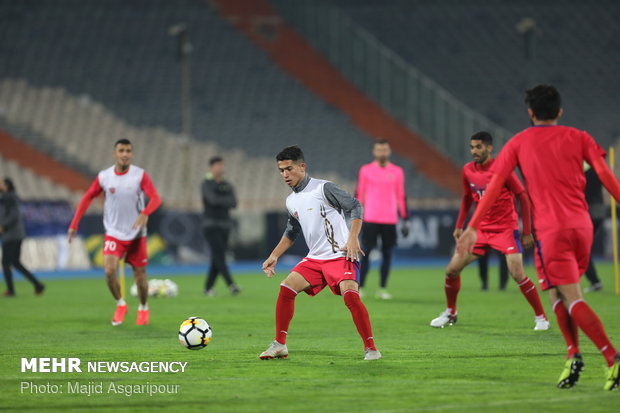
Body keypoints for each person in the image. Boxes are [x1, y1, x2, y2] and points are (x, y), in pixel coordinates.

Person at [457, 85, 620, 391]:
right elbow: (605, 173)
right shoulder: (580, 137)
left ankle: (612, 357)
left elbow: (493, 188)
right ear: (559, 111)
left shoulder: (518, 143)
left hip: (552, 230)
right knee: (557, 294)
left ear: (530, 113)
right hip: (583, 227)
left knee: (572, 298)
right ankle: (573, 356)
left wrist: (473, 225)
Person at [260, 146, 381, 361]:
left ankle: (371, 348)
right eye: (281, 171)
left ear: (302, 166)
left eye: (289, 169)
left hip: (340, 255)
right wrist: (275, 255)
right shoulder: (291, 201)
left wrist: (353, 238)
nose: (285, 175)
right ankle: (280, 344)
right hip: (315, 259)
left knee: (351, 297)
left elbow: (355, 206)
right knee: (286, 288)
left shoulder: (323, 188)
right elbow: (292, 231)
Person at [430, 131, 549, 330]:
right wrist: (460, 225)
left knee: (517, 273)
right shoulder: (468, 170)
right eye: (472, 147)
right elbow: (467, 197)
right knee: (451, 270)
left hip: (505, 229)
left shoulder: (503, 169)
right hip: (481, 231)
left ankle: (541, 317)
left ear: (489, 148)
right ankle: (451, 312)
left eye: (478, 147)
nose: (474, 151)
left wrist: (527, 231)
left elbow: (524, 197)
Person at [68, 139, 161, 326]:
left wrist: (145, 213)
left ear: (132, 154)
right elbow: (87, 197)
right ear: (115, 153)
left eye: (128, 150)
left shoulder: (139, 175)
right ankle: (120, 304)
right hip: (113, 233)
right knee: (109, 270)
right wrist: (74, 223)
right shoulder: (104, 177)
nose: (125, 154)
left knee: (140, 276)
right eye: (121, 150)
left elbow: (156, 198)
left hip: (136, 234)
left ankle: (143, 307)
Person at [356, 139, 408, 299]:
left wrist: (405, 218)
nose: (382, 153)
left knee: (387, 254)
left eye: (384, 150)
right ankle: (360, 287)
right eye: (379, 150)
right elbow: (360, 194)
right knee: (365, 253)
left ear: (389, 151)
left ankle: (382, 288)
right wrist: (356, 216)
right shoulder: (365, 170)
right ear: (374, 151)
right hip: (370, 217)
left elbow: (401, 196)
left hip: (390, 219)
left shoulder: (397, 171)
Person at [201, 156, 240, 296]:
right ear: (211, 168)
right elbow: (212, 200)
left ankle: (208, 287)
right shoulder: (206, 184)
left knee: (217, 256)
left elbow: (234, 203)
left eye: (222, 165)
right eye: (218, 165)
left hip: (225, 225)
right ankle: (231, 284)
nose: (221, 168)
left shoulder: (227, 184)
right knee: (219, 255)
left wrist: (221, 200)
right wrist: (225, 199)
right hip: (210, 225)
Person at [0, 178, 45, 296]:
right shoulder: (8, 197)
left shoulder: (9, 197)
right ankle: (37, 285)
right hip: (14, 234)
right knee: (15, 262)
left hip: (11, 235)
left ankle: (11, 290)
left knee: (6, 263)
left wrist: (3, 226)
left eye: (1, 183)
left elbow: (14, 215)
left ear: (7, 185)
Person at [583, 163, 604, 292]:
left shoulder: (582, 170)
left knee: (581, 249)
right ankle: (594, 281)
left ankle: (594, 281)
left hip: (587, 213)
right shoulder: (596, 168)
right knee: (583, 248)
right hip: (599, 212)